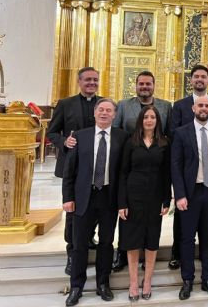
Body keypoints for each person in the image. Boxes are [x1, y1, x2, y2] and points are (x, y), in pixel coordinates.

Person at [62, 99, 128, 307]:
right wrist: (68, 198)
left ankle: (102, 283)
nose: (104, 113)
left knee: (107, 244)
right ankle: (76, 287)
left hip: (109, 197)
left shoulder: (122, 137)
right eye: (101, 109)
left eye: (109, 110)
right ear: (95, 112)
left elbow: (124, 173)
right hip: (84, 197)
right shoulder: (80, 137)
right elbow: (69, 172)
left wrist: (122, 201)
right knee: (80, 244)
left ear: (115, 115)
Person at [171, 95, 208, 300]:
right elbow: (176, 166)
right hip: (190, 193)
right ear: (193, 108)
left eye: (207, 105)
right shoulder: (181, 132)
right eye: (200, 105)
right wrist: (179, 194)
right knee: (187, 238)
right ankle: (187, 280)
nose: (203, 108)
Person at [169, 64, 208, 270]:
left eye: (203, 76)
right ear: (191, 80)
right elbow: (174, 137)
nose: (200, 79)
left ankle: (207, 258)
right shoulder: (180, 105)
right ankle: (178, 254)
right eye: (196, 76)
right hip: (189, 178)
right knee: (183, 225)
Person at [112, 70, 172, 271]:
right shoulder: (123, 105)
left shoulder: (165, 106)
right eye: (141, 84)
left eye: (148, 84)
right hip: (131, 161)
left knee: (150, 219)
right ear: (136, 85)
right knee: (128, 218)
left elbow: (168, 134)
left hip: (155, 161)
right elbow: (117, 131)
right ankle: (122, 253)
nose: (145, 87)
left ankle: (147, 257)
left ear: (154, 85)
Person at [48, 67, 101, 276]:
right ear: (79, 82)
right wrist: (64, 141)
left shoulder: (104, 104)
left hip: (98, 167)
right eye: (88, 80)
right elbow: (52, 132)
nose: (92, 83)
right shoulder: (65, 104)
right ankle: (72, 253)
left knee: (96, 207)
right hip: (74, 168)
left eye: (95, 80)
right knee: (73, 211)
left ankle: (89, 238)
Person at [118, 106, 171, 301]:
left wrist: (166, 199)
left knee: (151, 240)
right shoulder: (131, 142)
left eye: (153, 117)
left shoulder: (164, 143)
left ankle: (147, 281)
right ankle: (133, 283)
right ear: (141, 120)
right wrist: (121, 202)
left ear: (158, 120)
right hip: (133, 197)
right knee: (132, 240)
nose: (149, 120)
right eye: (146, 117)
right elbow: (123, 173)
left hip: (155, 197)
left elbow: (167, 175)